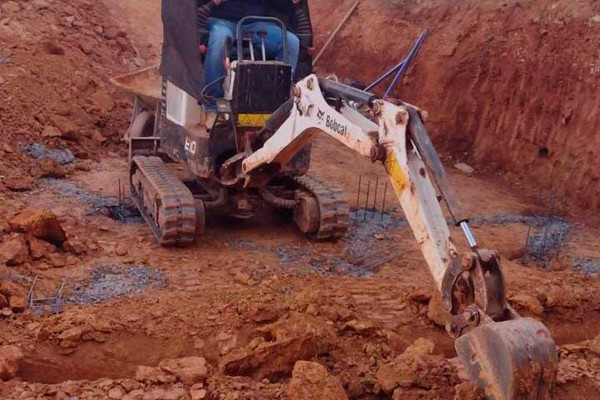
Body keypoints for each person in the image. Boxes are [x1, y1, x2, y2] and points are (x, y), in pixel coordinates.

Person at [202, 0, 301, 121]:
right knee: (220, 41)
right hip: (222, 20)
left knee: (291, 42)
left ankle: (278, 102)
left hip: (258, 22)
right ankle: (212, 106)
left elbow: (284, 6)